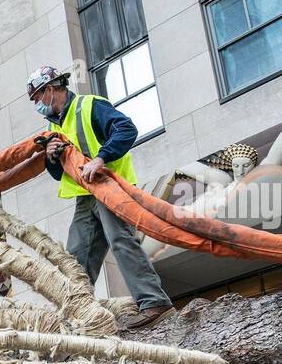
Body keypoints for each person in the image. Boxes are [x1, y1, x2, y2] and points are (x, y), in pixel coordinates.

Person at [27, 65, 174, 330]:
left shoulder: (89, 106)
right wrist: (50, 155)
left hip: (109, 187)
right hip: (85, 198)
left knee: (120, 240)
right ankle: (74, 321)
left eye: (37, 97)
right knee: (76, 257)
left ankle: (154, 301)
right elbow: (56, 173)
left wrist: (100, 158)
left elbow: (126, 129)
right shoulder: (52, 127)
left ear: (49, 89)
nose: (37, 104)